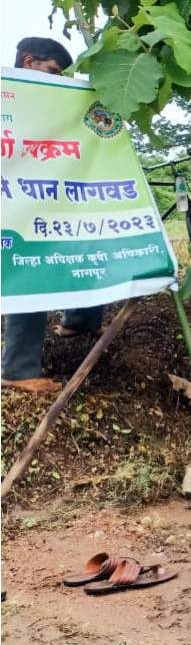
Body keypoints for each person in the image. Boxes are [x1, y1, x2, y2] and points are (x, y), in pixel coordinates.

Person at [1, 37, 105, 394]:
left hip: (57, 199)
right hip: (18, 206)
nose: (59, 80)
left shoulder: (51, 102)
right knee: (29, 275)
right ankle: (17, 369)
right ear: (29, 61)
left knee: (93, 248)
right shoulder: (10, 95)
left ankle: (79, 321)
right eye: (53, 71)